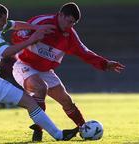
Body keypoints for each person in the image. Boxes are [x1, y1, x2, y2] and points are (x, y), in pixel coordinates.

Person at [0, 3, 80, 141]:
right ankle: (59, 135)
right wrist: (32, 39)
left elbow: (15, 24)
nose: (5, 24)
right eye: (3, 21)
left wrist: (36, 27)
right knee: (30, 103)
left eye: (5, 20)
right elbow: (6, 52)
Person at [11, 2, 125, 141]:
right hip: (24, 64)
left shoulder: (70, 35)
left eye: (73, 23)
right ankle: (38, 131)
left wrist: (105, 63)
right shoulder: (42, 22)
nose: (70, 25)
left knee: (67, 101)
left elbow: (84, 52)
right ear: (61, 15)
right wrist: (30, 38)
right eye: (69, 21)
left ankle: (84, 128)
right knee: (41, 88)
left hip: (45, 70)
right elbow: (17, 35)